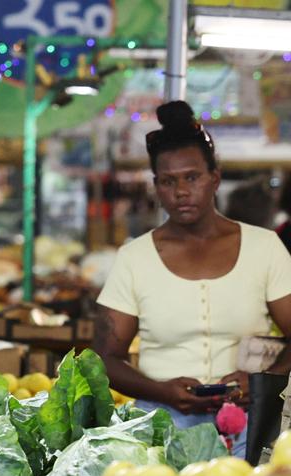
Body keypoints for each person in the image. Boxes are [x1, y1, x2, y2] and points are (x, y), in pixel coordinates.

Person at [96, 101, 291, 457]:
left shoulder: (265, 248)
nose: (181, 191)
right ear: (156, 186)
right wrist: (162, 391)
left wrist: (261, 383)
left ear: (214, 178)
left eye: (192, 177)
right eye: (168, 181)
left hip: (252, 429)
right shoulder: (134, 259)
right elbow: (106, 358)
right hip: (161, 434)